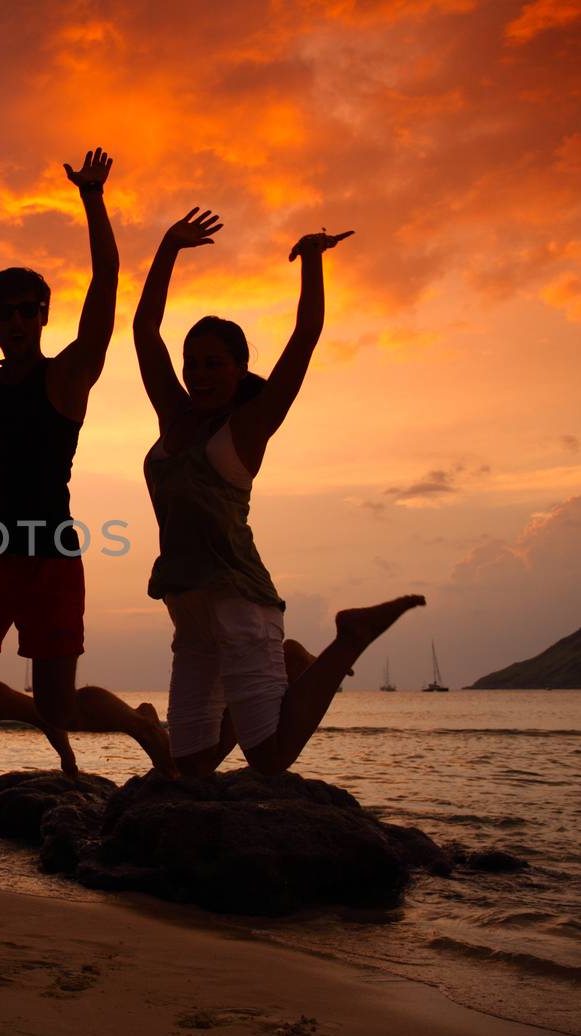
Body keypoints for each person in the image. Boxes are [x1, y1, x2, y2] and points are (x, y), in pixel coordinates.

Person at [133, 207, 424, 777]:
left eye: (214, 364)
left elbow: (305, 337)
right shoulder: (173, 416)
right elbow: (145, 332)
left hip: (240, 601)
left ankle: (348, 639)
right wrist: (167, 247)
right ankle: (292, 665)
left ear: (241, 369)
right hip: (186, 607)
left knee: (269, 758)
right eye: (192, 364)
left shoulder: (246, 427)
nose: (199, 374)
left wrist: (312, 262)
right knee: (186, 770)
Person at [0, 148, 172, 776]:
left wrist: (92, 197)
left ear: (43, 315)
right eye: (5, 312)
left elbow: (107, 283)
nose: (17, 320)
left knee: (65, 707)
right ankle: (39, 716)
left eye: (30, 309)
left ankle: (141, 725)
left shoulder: (69, 377)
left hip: (51, 558)